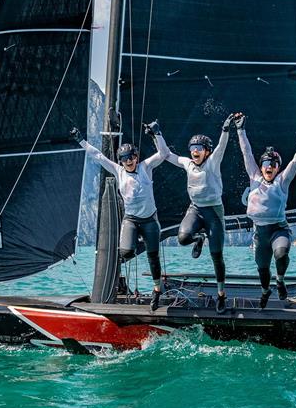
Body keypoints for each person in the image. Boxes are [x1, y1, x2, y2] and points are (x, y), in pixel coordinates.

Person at [72, 122, 169, 311]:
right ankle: (137, 239)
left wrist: (157, 133)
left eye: (131, 157)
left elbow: (164, 153)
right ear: (121, 161)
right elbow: (98, 156)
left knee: (153, 257)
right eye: (124, 159)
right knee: (125, 253)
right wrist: (81, 141)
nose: (129, 161)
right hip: (131, 219)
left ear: (136, 157)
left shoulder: (146, 167)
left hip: (150, 219)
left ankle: (157, 290)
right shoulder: (118, 171)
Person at [235, 113, 296, 308]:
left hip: (278, 230)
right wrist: (240, 130)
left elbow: (295, 162)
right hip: (260, 233)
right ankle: (266, 290)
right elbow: (246, 152)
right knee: (262, 269)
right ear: (261, 166)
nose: (269, 167)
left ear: (277, 167)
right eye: (266, 164)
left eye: (273, 165)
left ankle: (280, 280)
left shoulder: (282, 181)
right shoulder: (254, 177)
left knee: (281, 254)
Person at [164, 114, 233, 313]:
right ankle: (198, 238)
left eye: (199, 149)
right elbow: (168, 155)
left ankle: (221, 295)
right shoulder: (187, 163)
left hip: (214, 212)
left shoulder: (212, 162)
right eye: (193, 148)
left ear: (207, 152)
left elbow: (222, 146)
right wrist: (157, 135)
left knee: (216, 255)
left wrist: (226, 128)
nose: (195, 152)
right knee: (183, 238)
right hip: (195, 209)